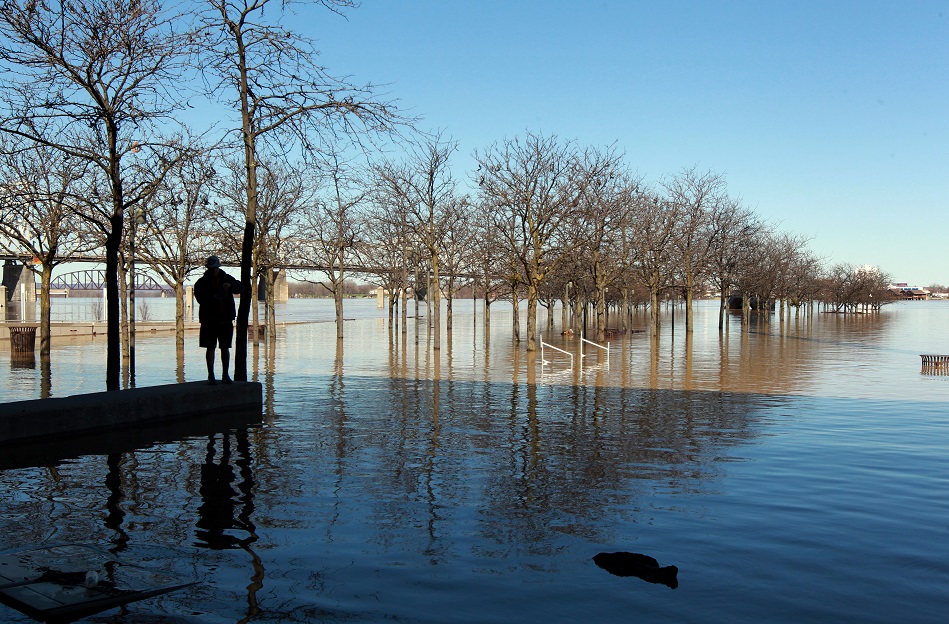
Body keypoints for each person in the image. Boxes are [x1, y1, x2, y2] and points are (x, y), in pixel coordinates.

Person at [194, 255, 243, 384]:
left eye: (215, 268)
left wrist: (230, 285)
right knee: (210, 347)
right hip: (209, 321)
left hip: (225, 320)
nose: (214, 271)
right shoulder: (201, 283)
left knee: (225, 347)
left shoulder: (226, 278)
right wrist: (220, 293)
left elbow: (240, 287)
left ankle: (225, 375)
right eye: (211, 269)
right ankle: (211, 375)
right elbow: (202, 300)